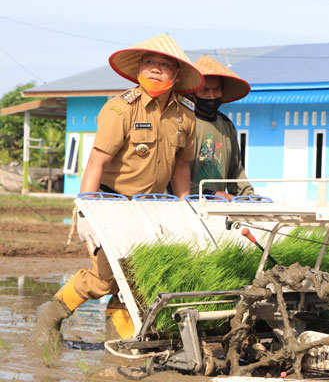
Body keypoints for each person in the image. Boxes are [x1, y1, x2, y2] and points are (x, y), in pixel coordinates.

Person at [32, 34, 204, 347]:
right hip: (110, 203)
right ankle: (51, 315)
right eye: (149, 62)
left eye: (164, 65)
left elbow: (181, 167)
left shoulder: (185, 116)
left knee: (137, 277)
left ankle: (118, 343)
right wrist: (86, 212)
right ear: (139, 68)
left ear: (176, 75)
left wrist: (184, 206)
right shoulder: (120, 109)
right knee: (104, 278)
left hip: (152, 206)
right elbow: (97, 161)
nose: (155, 69)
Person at [188, 55, 254, 201]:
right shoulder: (183, 122)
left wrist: (250, 198)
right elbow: (172, 176)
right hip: (183, 204)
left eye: (217, 90)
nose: (211, 96)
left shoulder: (226, 125)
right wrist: (209, 194)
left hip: (218, 207)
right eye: (204, 90)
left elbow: (236, 171)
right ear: (192, 93)